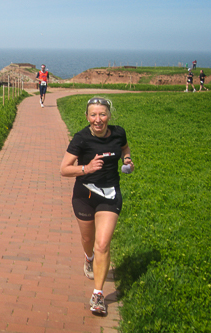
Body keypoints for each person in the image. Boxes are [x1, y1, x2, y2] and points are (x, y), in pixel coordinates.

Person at [60, 97, 134, 315]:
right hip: (84, 195)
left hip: (110, 195)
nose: (98, 119)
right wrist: (87, 168)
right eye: (93, 115)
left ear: (109, 115)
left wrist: (127, 159)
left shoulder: (119, 132)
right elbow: (64, 169)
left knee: (102, 244)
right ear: (87, 117)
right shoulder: (81, 139)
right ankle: (88, 258)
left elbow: (124, 147)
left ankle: (98, 295)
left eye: (102, 114)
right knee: (88, 240)